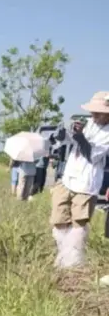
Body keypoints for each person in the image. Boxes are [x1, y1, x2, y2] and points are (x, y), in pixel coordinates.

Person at [51, 92, 109, 269]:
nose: (94, 115)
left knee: (79, 223)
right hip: (68, 178)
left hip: (86, 184)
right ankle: (65, 254)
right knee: (58, 219)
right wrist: (63, 134)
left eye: (98, 113)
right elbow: (68, 141)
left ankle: (73, 260)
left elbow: (92, 154)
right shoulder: (89, 123)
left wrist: (80, 137)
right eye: (93, 112)